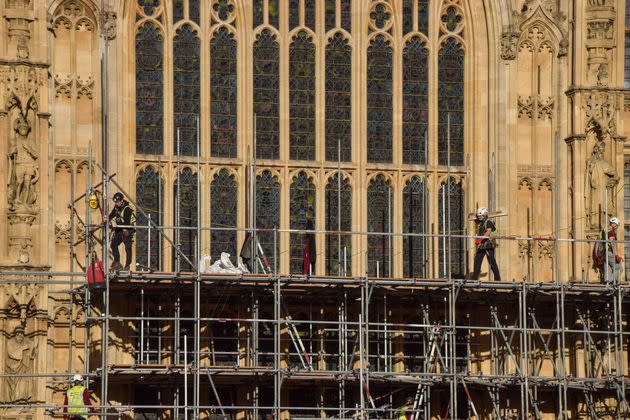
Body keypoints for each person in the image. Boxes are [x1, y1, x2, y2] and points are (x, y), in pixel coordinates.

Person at [106, 192, 136, 271]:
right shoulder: (117, 206)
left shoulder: (128, 208)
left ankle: (127, 265)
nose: (116, 203)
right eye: (115, 202)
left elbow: (126, 222)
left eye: (117, 202)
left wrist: (115, 223)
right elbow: (113, 214)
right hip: (120, 229)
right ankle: (117, 262)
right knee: (113, 244)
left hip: (128, 230)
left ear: (122, 200)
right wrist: (107, 220)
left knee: (128, 248)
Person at [470, 207, 501, 281]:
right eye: (478, 216)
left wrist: (480, 238)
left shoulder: (488, 222)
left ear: (485, 215)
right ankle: (475, 277)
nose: (479, 217)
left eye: (480, 216)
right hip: (483, 244)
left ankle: (497, 279)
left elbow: (488, 232)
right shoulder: (481, 223)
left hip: (489, 244)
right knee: (477, 259)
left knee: (492, 262)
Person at [594, 217, 622, 284]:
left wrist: (596, 254)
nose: (617, 227)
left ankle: (607, 285)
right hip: (609, 253)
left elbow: (597, 243)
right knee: (619, 268)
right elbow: (612, 243)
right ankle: (610, 282)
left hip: (603, 253)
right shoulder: (610, 231)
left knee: (607, 269)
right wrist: (616, 255)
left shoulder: (603, 230)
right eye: (617, 225)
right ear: (614, 224)